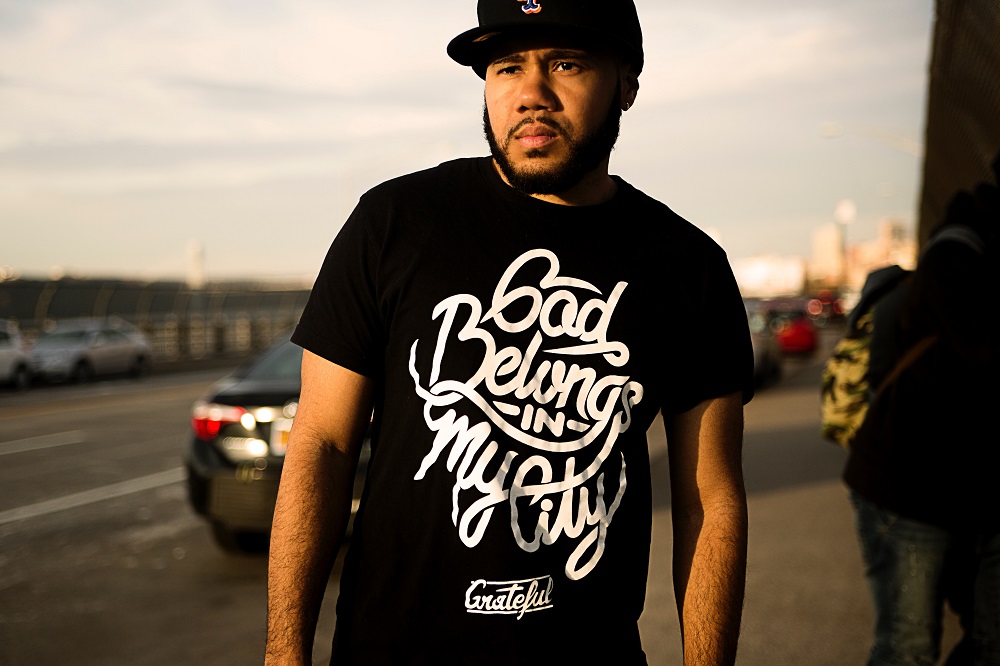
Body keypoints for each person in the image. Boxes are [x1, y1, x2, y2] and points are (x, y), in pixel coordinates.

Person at [265, 1, 754, 663]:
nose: (531, 94)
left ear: (627, 84)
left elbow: (709, 498)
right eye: (506, 67)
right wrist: (283, 652)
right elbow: (321, 444)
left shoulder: (685, 266)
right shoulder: (392, 224)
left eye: (566, 63)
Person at [843, 162, 1000, 665]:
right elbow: (981, 350)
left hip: (971, 488)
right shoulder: (957, 251)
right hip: (909, 487)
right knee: (908, 647)